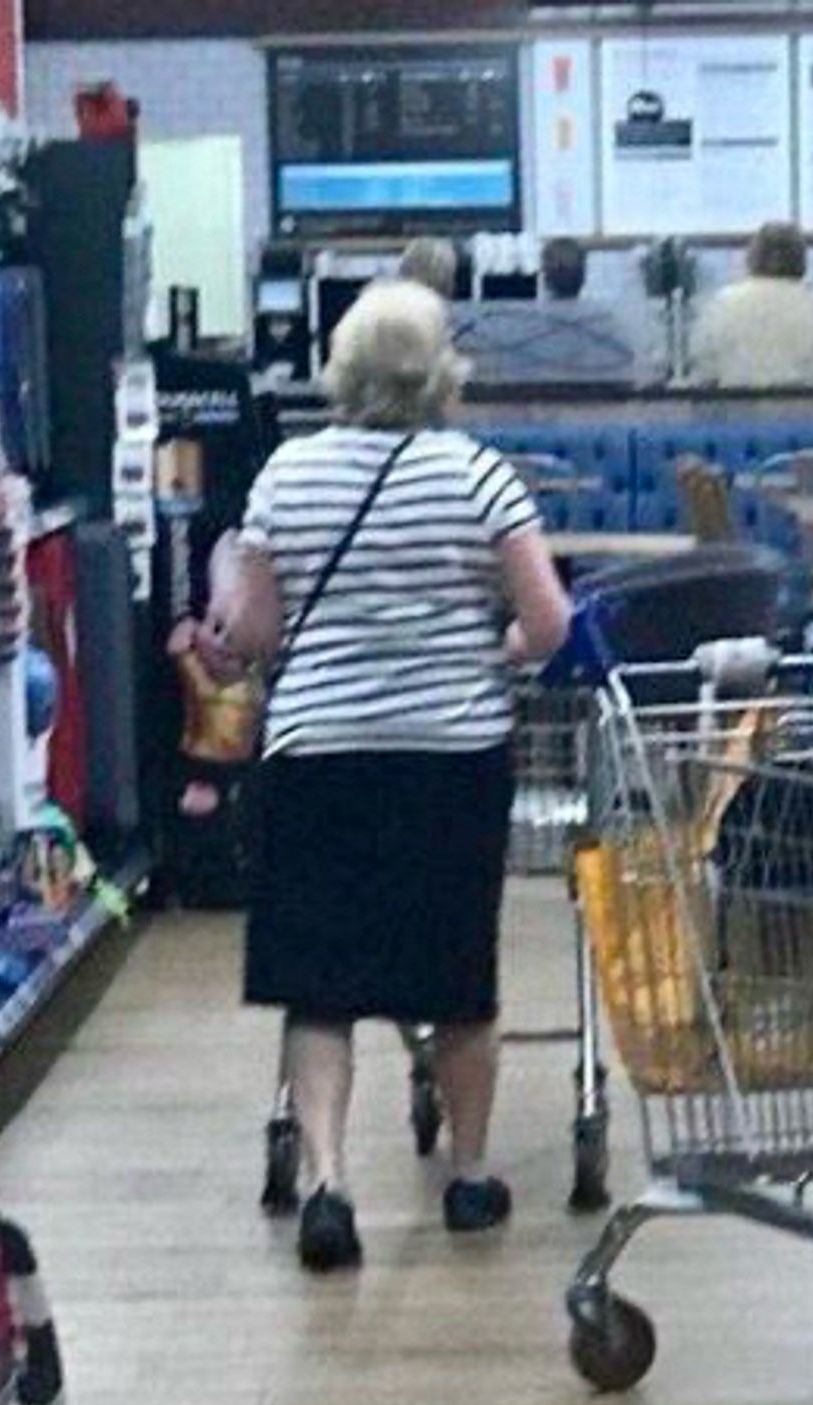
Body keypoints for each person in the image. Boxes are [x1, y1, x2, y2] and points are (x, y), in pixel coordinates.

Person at [207, 279, 572, 1273]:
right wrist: (482, 653)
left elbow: (256, 631)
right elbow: (547, 624)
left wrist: (232, 642)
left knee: (318, 986)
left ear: (341, 371)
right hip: (449, 759)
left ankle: (327, 1183)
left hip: (318, 756)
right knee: (457, 980)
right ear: (440, 370)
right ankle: (467, 1175)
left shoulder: (285, 475)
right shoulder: (479, 475)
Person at [690, 222, 813, 389]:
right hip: (804, 410)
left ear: (752, 256)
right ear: (802, 260)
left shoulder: (724, 303)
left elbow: (703, 364)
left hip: (737, 408)